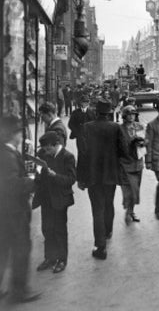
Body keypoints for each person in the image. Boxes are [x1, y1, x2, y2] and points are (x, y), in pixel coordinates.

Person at [77, 98, 129, 260]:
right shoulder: (116, 128)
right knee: (109, 203)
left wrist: (81, 178)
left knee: (97, 209)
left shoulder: (86, 128)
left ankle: (100, 247)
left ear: (96, 112)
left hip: (93, 176)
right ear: (109, 113)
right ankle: (108, 231)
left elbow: (82, 155)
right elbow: (125, 152)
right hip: (111, 175)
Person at [0, 115, 41, 303]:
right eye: (19, 132)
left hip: (5, 211)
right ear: (13, 134)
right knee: (21, 248)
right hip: (14, 212)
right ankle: (19, 291)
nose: (21, 136)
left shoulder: (6, 152)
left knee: (4, 249)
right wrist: (31, 180)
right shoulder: (8, 156)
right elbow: (11, 184)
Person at [32, 132, 76, 274]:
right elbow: (39, 175)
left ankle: (62, 259)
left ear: (55, 145)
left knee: (59, 230)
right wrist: (37, 174)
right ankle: (50, 257)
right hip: (46, 198)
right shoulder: (44, 155)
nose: (45, 152)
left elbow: (71, 180)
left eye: (48, 149)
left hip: (60, 199)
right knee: (47, 228)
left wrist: (55, 176)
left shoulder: (68, 157)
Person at [119, 105, 145, 224]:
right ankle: (129, 211)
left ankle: (131, 210)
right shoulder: (119, 129)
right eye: (129, 114)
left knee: (136, 190)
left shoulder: (139, 127)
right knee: (128, 190)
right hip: (125, 164)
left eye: (133, 114)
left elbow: (145, 143)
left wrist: (142, 142)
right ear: (124, 116)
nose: (131, 117)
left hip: (138, 163)